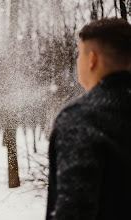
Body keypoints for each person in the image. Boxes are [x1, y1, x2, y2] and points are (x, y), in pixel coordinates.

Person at [46, 18, 131, 220]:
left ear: (92, 59)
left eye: (79, 54)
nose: (77, 61)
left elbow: (74, 211)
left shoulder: (80, 119)